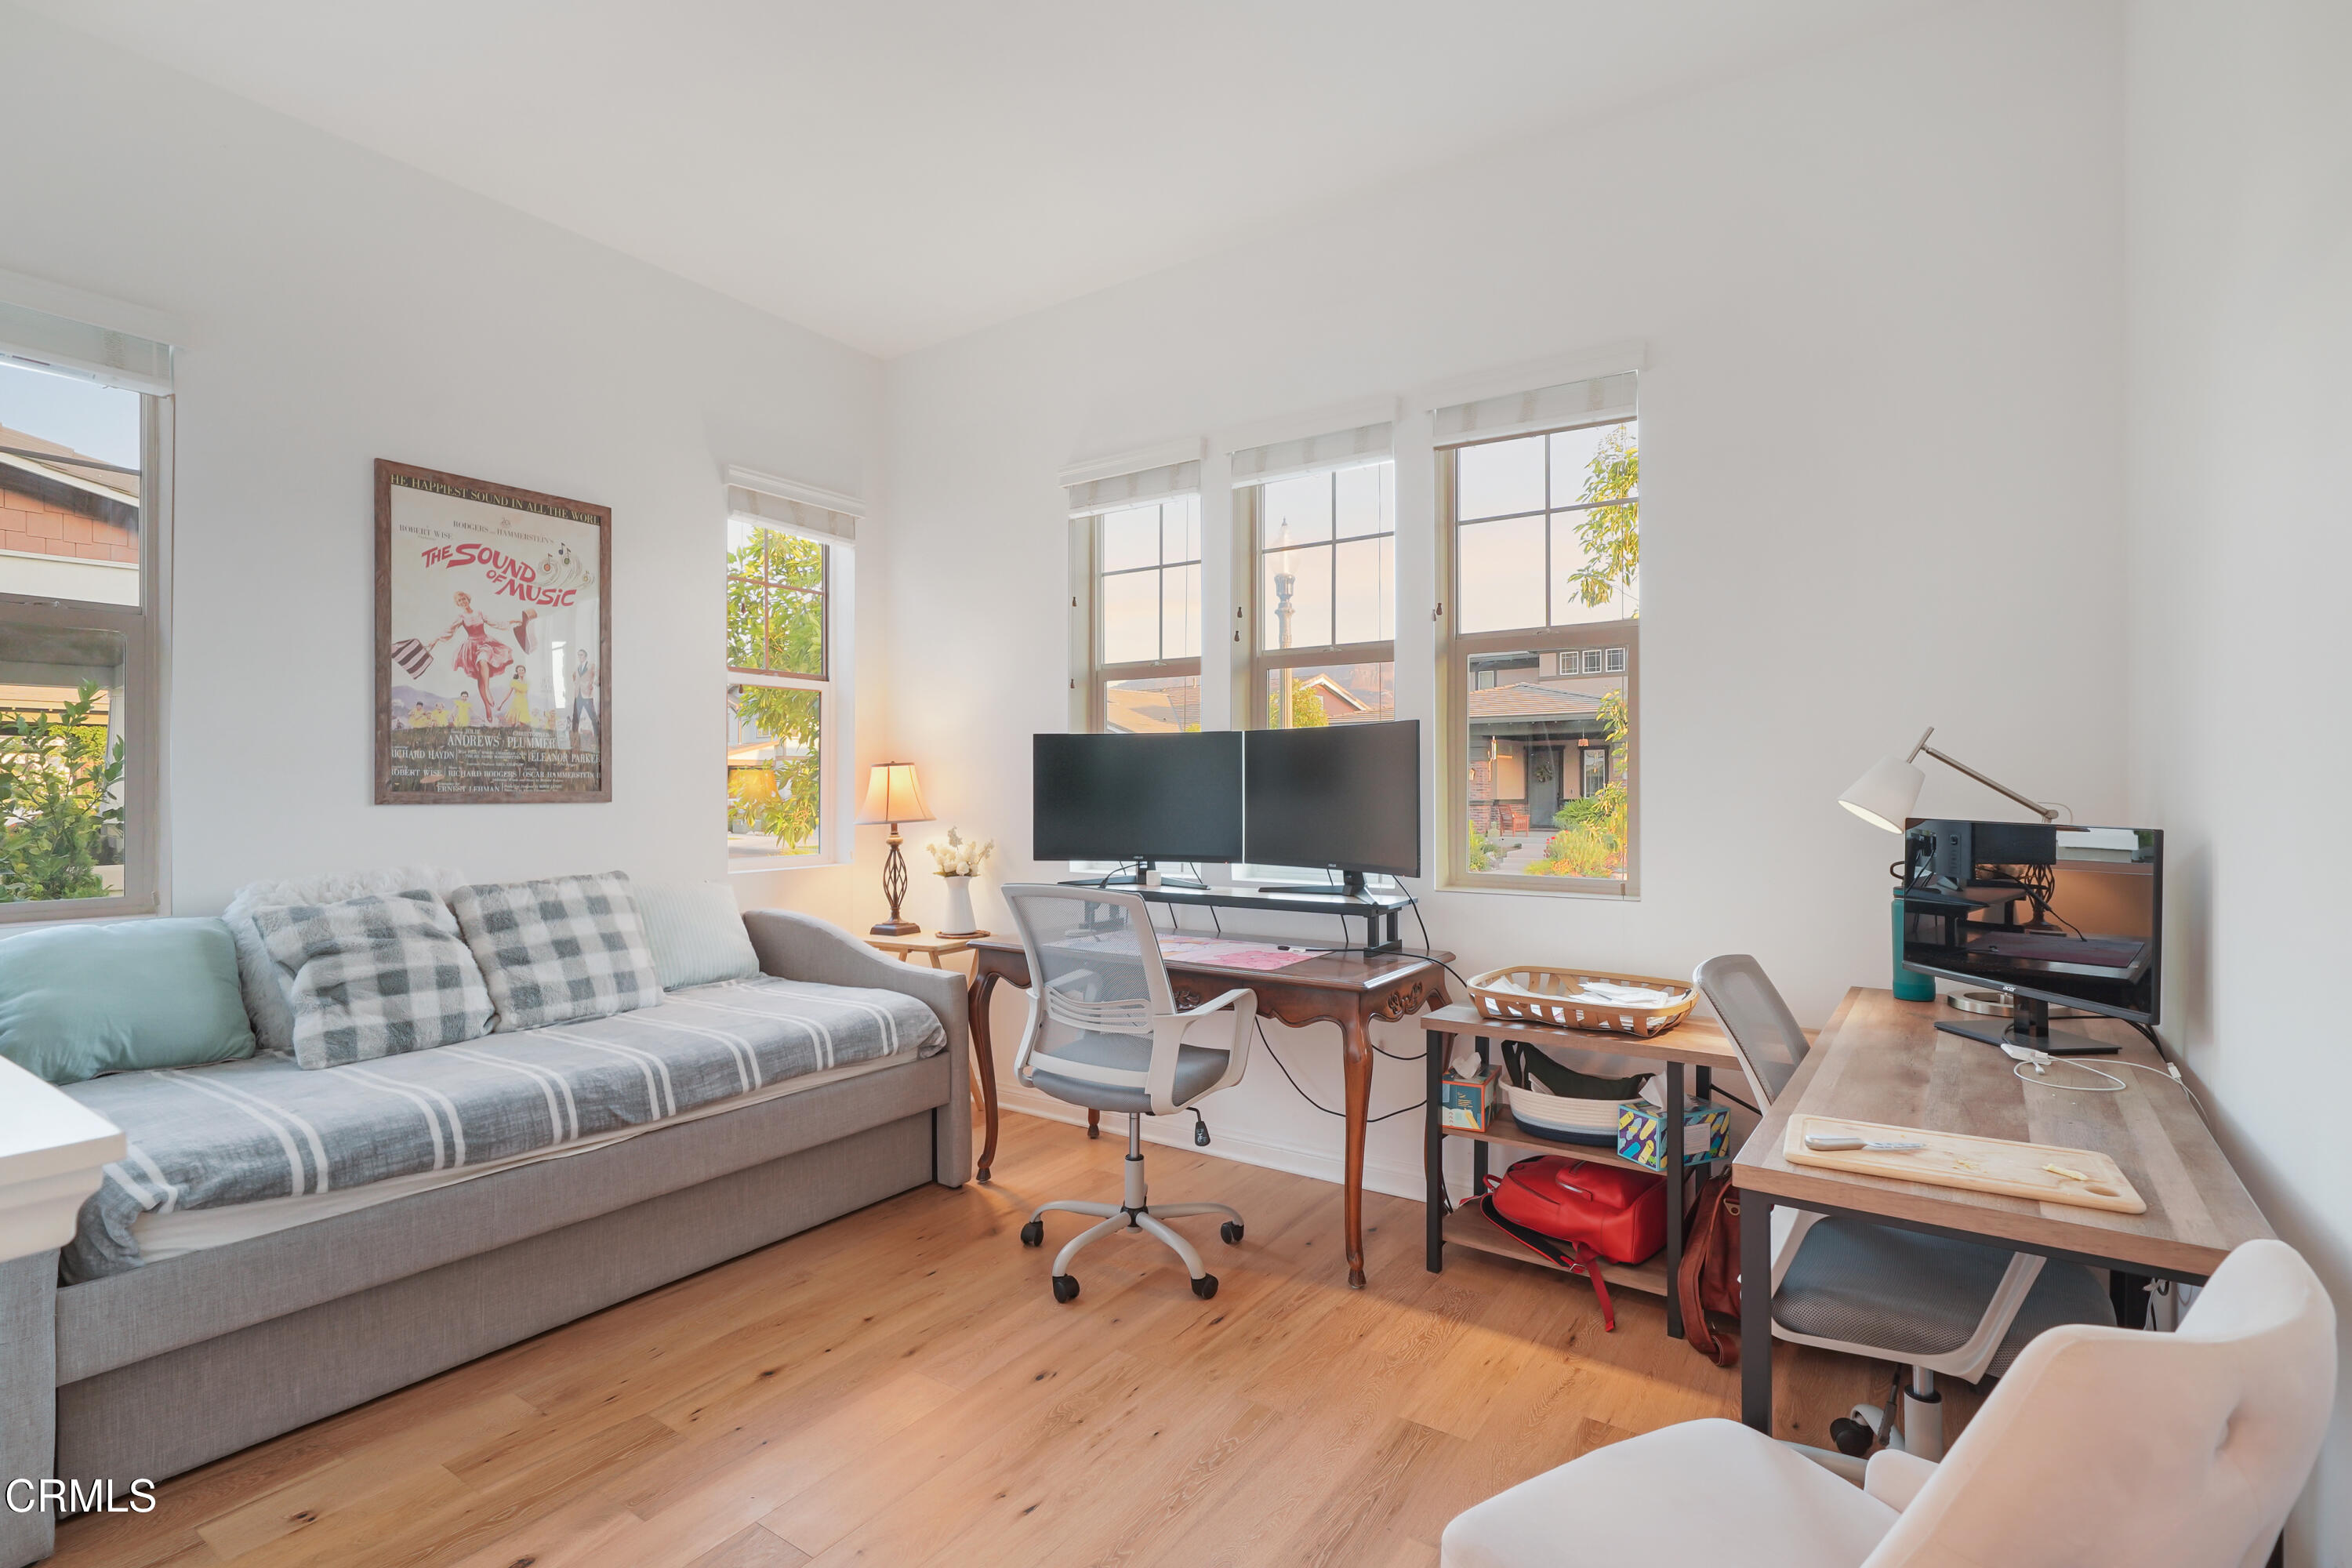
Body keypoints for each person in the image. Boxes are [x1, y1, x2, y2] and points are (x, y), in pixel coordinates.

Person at [425, 591, 528, 727]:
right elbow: (449, 630)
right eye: (460, 601)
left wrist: (514, 621)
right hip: (471, 647)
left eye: (464, 599)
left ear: (468, 599)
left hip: (485, 643)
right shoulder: (461, 617)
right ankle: (487, 706)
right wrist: (435, 640)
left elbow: (495, 623)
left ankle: (487, 689)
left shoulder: (479, 613)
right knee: (480, 676)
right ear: (458, 604)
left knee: (483, 659)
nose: (463, 602)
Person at [569, 646, 599, 750]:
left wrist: (595, 683)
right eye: (578, 655)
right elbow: (574, 677)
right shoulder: (577, 668)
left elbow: (598, 675)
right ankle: (574, 739)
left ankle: (597, 736)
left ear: (585, 656)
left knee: (593, 717)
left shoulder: (591, 666)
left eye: (581, 655)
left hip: (587, 695)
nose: (579, 656)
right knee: (575, 717)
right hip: (578, 695)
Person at [502, 664, 532, 729]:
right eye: (520, 670)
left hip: (524, 704)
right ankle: (510, 734)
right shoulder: (514, 682)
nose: (521, 671)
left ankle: (521, 738)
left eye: (522, 670)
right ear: (517, 672)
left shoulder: (527, 683)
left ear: (525, 672)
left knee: (523, 723)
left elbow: (527, 695)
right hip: (516, 704)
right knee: (513, 723)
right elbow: (508, 694)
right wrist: (501, 704)